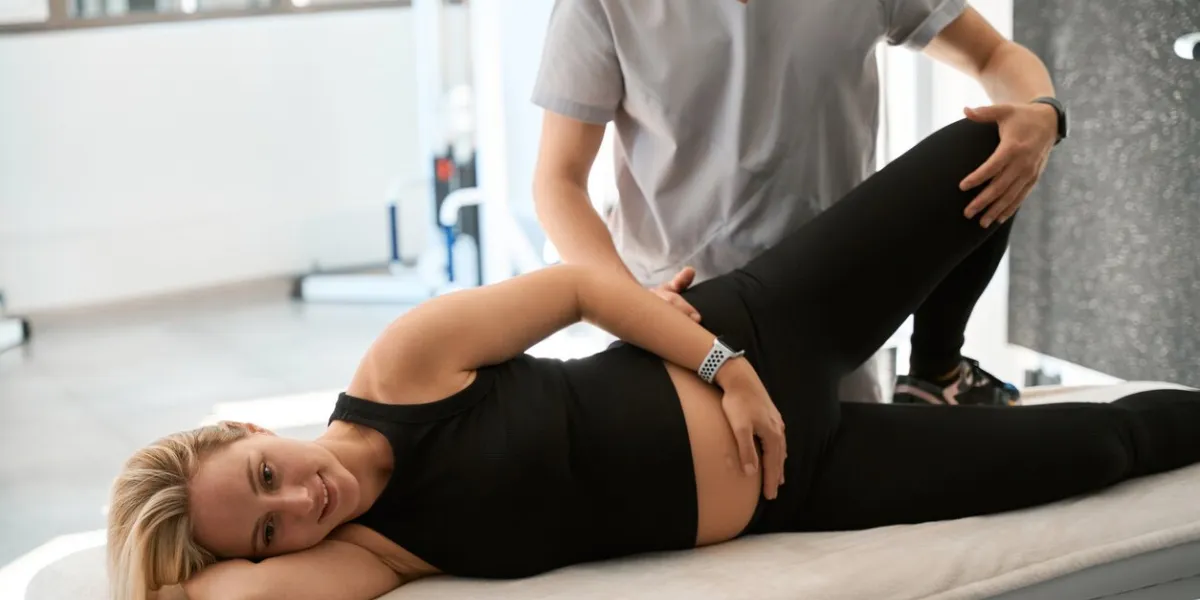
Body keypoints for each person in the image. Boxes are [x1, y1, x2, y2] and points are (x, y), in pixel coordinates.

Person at [107, 120, 1196, 600]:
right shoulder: (373, 558)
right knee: (1106, 443)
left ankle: (938, 362)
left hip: (763, 335)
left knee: (985, 151)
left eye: (265, 476)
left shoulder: (402, 366)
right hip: (802, 486)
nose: (298, 500)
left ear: (257, 432)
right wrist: (182, 556)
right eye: (265, 531)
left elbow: (583, 289)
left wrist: (727, 366)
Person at [531, 0, 1069, 406]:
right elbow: (558, 182)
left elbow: (994, 54)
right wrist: (634, 307)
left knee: (994, 141)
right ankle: (942, 375)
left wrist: (1043, 114)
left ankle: (937, 373)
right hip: (689, 313)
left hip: (835, 302)